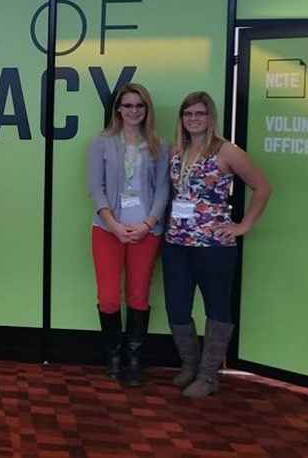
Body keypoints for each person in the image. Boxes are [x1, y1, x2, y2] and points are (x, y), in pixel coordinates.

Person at [163, 91, 271, 398]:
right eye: (188, 114)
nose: (194, 119)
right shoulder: (175, 150)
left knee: (217, 307)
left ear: (210, 117)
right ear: (182, 119)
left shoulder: (226, 151)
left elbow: (262, 187)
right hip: (176, 243)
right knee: (177, 307)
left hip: (214, 245)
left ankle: (209, 375)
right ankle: (190, 365)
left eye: (200, 114)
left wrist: (243, 225)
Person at [87, 83, 170, 386]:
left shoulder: (160, 145)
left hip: (147, 232)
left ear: (147, 110)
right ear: (118, 110)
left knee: (138, 294)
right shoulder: (102, 143)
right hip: (108, 230)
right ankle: (112, 354)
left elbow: (163, 189)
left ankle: (134, 357)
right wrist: (114, 224)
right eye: (128, 105)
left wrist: (148, 224)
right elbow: (96, 188)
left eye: (140, 105)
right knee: (109, 296)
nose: (134, 111)